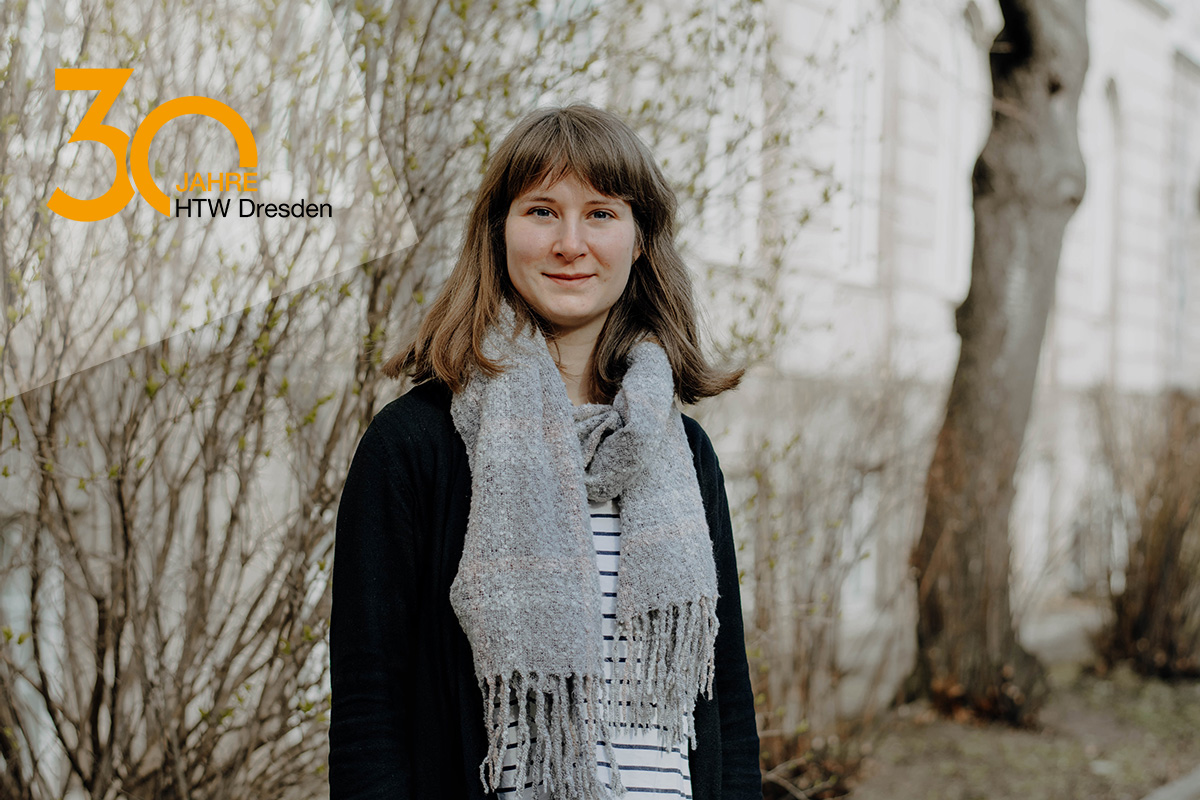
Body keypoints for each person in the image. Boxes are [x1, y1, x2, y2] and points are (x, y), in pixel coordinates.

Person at [329, 104, 761, 800]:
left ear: (640, 239)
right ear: (498, 232)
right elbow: (367, 714)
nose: (570, 243)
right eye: (540, 212)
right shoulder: (413, 447)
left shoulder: (684, 452)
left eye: (600, 213)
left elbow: (727, 706)